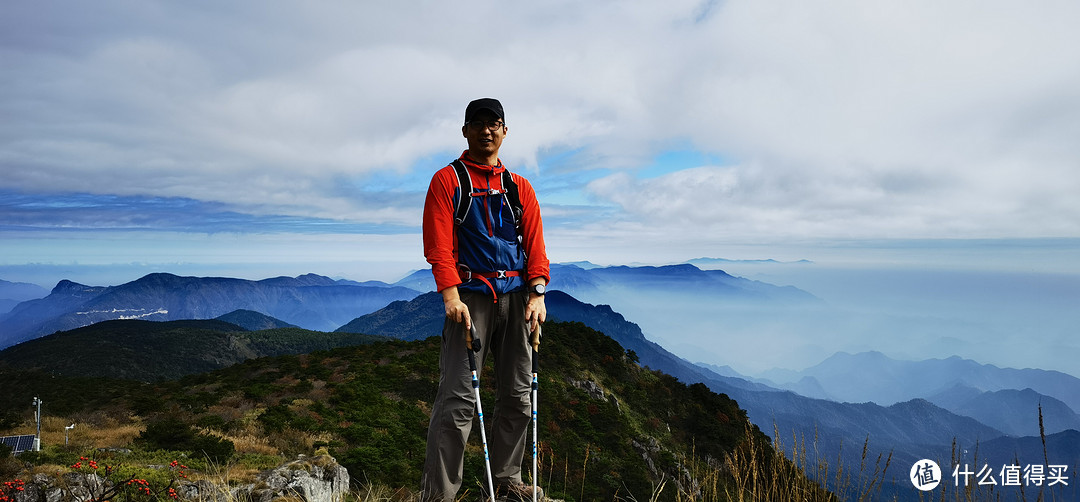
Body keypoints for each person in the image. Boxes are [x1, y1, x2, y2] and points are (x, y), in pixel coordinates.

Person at [420, 98, 550, 501]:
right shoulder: (448, 181)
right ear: (465, 131)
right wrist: (450, 296)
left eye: (494, 123)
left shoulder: (519, 187)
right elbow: (438, 247)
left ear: (505, 131)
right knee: (457, 399)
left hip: (516, 298)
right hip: (470, 299)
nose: (486, 130)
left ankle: (508, 480)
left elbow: (536, 247)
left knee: (517, 393)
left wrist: (538, 292)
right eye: (478, 124)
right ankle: (440, 494)